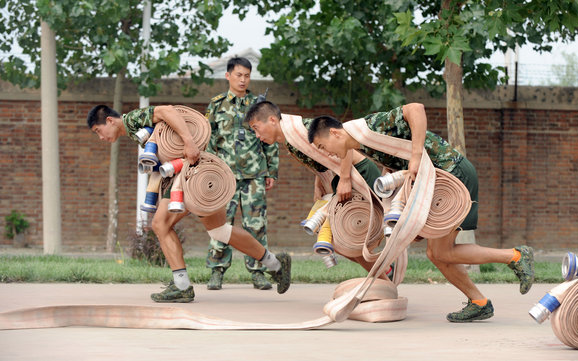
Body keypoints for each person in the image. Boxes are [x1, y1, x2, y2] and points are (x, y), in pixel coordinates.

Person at [307, 103, 534, 322]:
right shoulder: (359, 141)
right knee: (437, 253)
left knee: (442, 252)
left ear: (335, 133)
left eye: (321, 146)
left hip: (450, 176)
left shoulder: (369, 127)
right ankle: (480, 302)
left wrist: (415, 155)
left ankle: (515, 257)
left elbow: (415, 108)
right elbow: (380, 150)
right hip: (435, 181)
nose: (324, 153)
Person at [86, 104, 292, 301]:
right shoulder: (133, 131)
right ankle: (276, 264)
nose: (101, 137)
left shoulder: (132, 120)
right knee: (219, 231)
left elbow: (167, 111)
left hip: (193, 172)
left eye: (98, 130)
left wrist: (189, 142)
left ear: (110, 120)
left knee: (160, 224)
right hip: (198, 172)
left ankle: (182, 286)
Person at [245, 100, 392, 277]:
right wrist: (319, 182)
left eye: (256, 127)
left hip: (358, 174)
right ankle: (385, 272)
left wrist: (345, 178)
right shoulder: (291, 138)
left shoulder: (302, 129)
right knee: (340, 243)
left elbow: (345, 143)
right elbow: (322, 158)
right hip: (343, 178)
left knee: (346, 241)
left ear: (272, 120)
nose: (256, 135)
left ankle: (384, 279)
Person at [205, 57, 279, 291]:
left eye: (247, 75)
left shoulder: (258, 105)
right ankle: (216, 271)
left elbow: (271, 139)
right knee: (221, 225)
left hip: (254, 175)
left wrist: (271, 171)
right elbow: (207, 140)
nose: (243, 79)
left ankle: (258, 272)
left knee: (256, 226)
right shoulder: (216, 105)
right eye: (238, 75)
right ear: (228, 76)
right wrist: (207, 172)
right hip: (224, 177)